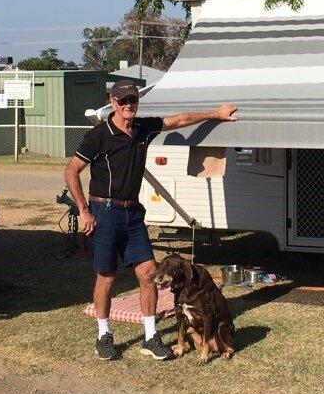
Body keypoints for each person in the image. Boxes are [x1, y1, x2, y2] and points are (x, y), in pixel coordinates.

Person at [65, 78, 237, 361]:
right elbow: (71, 172)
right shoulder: (98, 135)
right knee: (106, 277)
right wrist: (84, 210)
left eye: (133, 100)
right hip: (104, 212)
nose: (129, 105)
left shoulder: (143, 128)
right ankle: (104, 335)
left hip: (133, 213)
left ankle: (150, 336)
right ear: (113, 101)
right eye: (123, 101)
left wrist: (214, 114)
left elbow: (179, 120)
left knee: (149, 274)